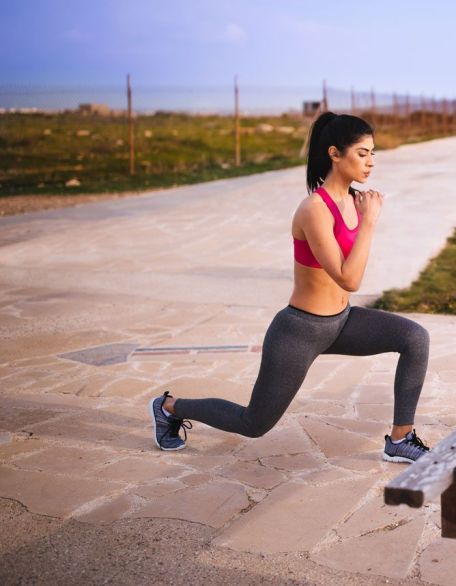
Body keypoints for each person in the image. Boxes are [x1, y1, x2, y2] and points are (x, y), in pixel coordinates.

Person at [148, 112, 431, 463]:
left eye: (373, 153)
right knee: (254, 423)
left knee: (414, 338)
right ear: (334, 154)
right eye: (362, 153)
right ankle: (169, 407)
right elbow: (350, 278)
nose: (371, 162)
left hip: (342, 323)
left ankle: (401, 438)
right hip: (301, 330)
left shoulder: (354, 200)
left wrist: (365, 217)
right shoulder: (315, 209)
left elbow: (349, 280)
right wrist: (370, 223)